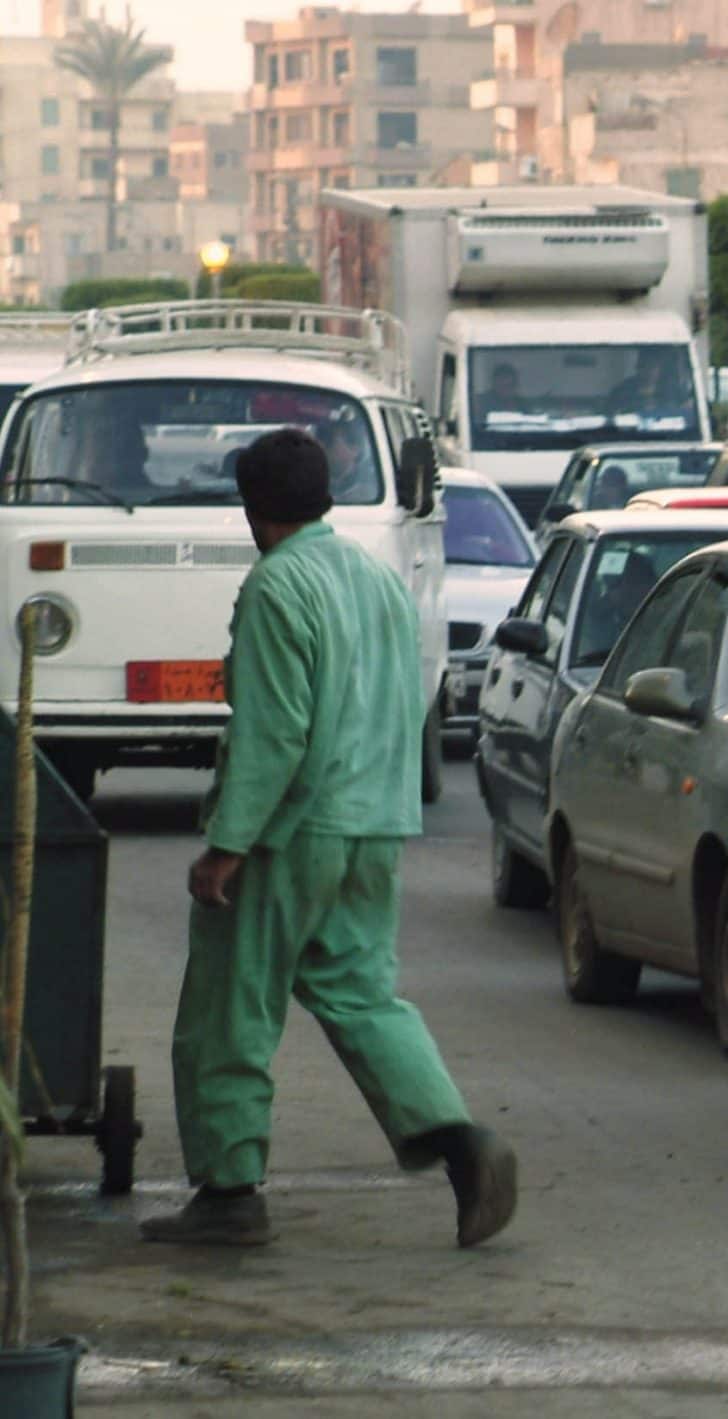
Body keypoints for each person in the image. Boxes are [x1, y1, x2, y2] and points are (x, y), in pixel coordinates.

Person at [143, 428, 516, 1249]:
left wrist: (226, 847)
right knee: (362, 996)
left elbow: (274, 735)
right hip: (375, 823)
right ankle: (460, 1142)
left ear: (251, 508)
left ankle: (230, 1191)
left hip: (294, 831)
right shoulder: (377, 581)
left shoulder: (278, 587)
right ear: (324, 496)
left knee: (230, 1005)